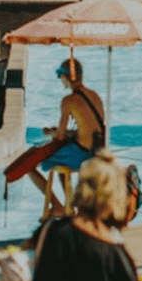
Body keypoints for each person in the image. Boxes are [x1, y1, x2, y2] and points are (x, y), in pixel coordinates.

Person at [29, 57, 106, 215]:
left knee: (29, 165)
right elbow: (91, 129)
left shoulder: (68, 100)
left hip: (80, 155)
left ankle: (57, 206)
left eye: (61, 77)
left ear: (65, 78)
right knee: (61, 163)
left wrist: (50, 132)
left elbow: (60, 137)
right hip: (97, 153)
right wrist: (71, 133)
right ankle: (71, 207)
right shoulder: (95, 96)